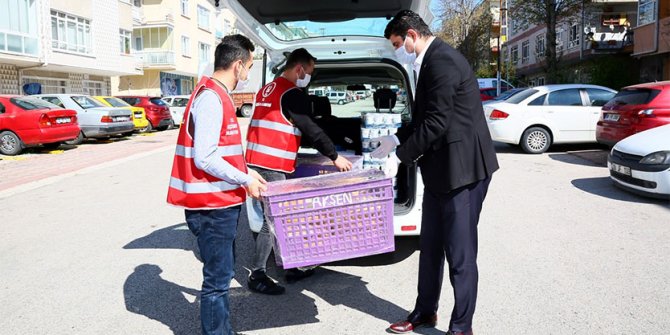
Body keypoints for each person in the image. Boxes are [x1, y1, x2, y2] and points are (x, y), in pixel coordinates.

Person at [372, 10, 499, 335]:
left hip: (464, 172)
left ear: (412, 35)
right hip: (440, 171)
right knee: (430, 248)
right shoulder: (425, 63)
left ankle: (461, 328)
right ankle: (425, 312)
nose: (397, 50)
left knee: (460, 256)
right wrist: (395, 139)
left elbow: (437, 123)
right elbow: (421, 119)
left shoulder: (442, 60)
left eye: (398, 43)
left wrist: (400, 156)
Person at [166, 34, 267, 335]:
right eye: (249, 66)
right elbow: (206, 158)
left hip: (217, 203)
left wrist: (249, 171)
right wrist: (245, 178)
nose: (248, 74)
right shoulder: (212, 96)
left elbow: (223, 152)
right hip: (211, 206)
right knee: (217, 280)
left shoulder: (214, 93)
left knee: (220, 277)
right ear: (237, 66)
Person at [242, 48, 353, 295]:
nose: (308, 78)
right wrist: (335, 157)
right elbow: (310, 128)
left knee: (278, 218)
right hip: (271, 164)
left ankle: (291, 266)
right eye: (310, 72)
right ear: (299, 69)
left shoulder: (268, 89)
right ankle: (258, 273)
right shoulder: (292, 94)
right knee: (272, 221)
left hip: (256, 161)